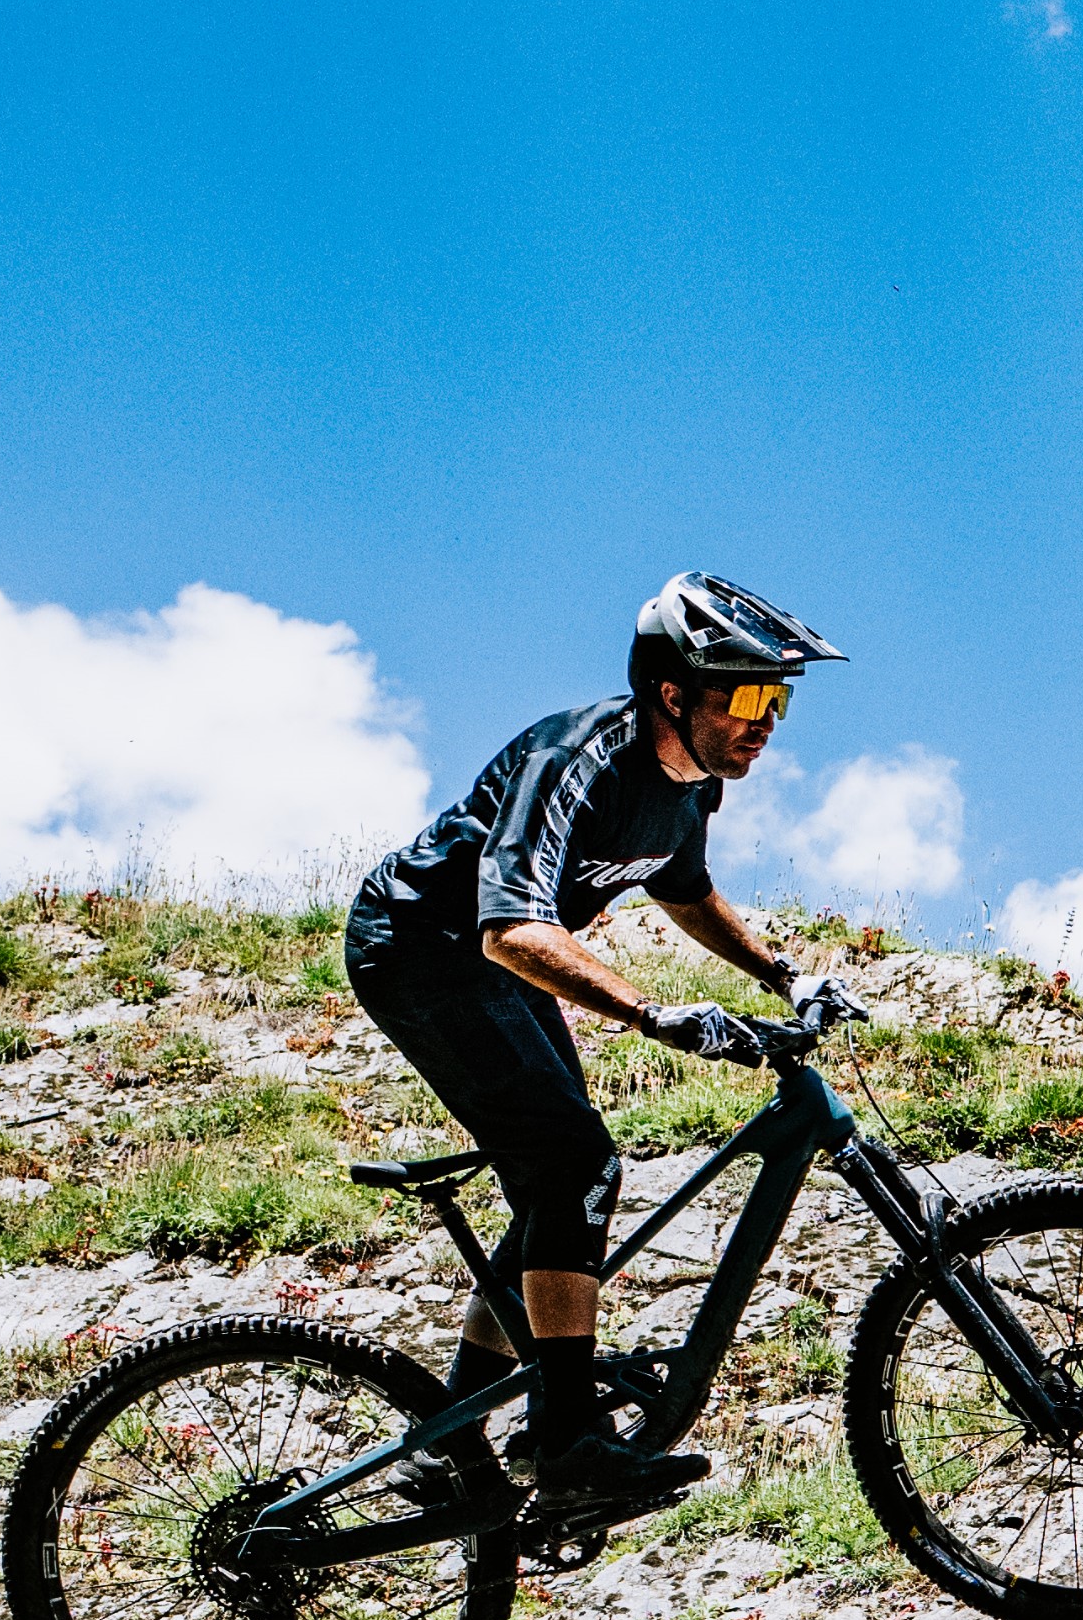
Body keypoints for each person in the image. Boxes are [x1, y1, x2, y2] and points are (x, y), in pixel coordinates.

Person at [344, 570, 837, 1511]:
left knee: (564, 1182)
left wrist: (782, 973)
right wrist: (655, 1015)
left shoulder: (690, 785)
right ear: (672, 691)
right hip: (425, 948)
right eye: (746, 695)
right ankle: (567, 1441)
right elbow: (507, 931)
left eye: (777, 699)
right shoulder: (572, 758)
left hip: (494, 964)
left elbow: (680, 886)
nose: (766, 720)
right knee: (572, 1164)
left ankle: (446, 1444)